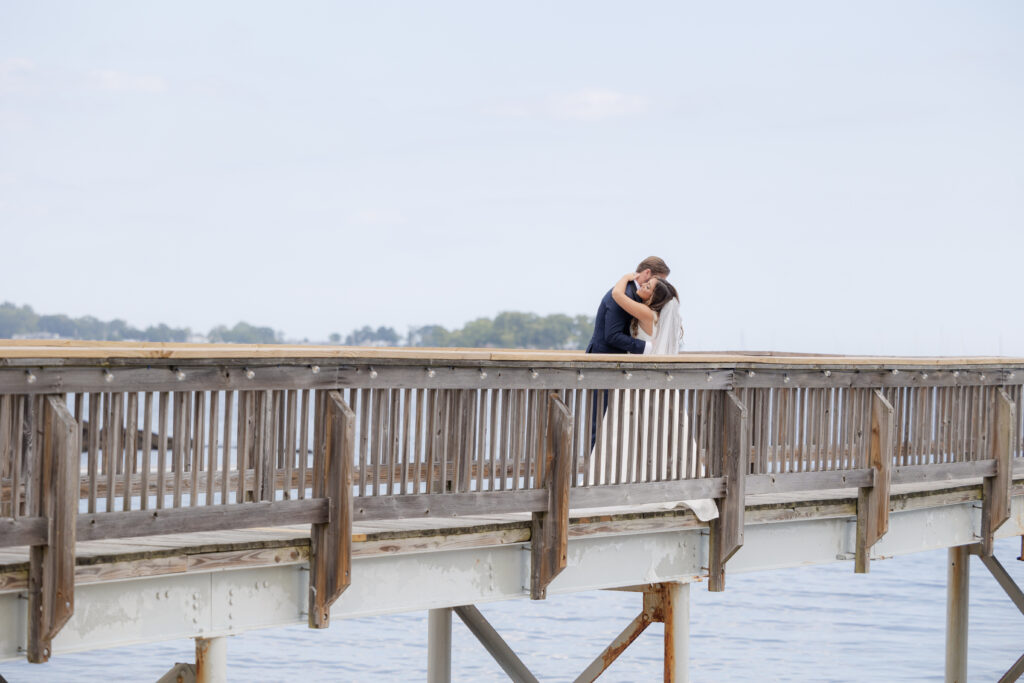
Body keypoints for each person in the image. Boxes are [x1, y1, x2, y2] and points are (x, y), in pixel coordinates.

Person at [586, 256, 670, 355]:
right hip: (604, 359)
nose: (661, 286)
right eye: (659, 280)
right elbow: (613, 335)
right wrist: (648, 347)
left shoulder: (630, 293)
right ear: (647, 273)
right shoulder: (624, 294)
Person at [609, 272, 684, 355]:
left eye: (648, 287)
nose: (643, 285)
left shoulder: (647, 313)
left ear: (653, 298)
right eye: (647, 282)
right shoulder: (656, 316)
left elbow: (616, 294)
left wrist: (625, 277)